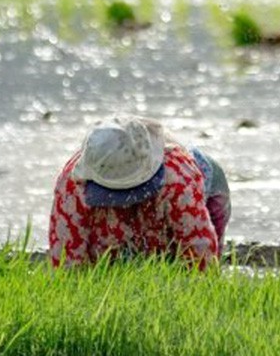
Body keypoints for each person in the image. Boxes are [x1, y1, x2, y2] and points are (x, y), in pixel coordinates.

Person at [49, 114, 231, 268]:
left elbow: (199, 247)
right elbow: (65, 256)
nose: (125, 202)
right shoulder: (73, 183)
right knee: (115, 247)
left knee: (171, 254)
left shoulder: (176, 176)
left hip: (206, 185)